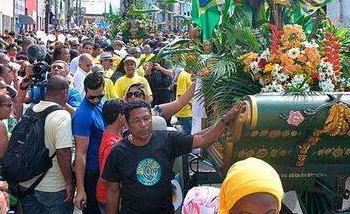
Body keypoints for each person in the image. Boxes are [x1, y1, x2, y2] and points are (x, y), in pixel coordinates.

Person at [102, 100, 243, 214]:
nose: (143, 124)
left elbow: (204, 139)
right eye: (136, 121)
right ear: (127, 124)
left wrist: (226, 120)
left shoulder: (167, 139)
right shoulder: (117, 152)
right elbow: (113, 192)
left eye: (146, 119)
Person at [18, 75, 74, 214]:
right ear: (64, 92)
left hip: (27, 183)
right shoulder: (62, 115)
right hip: (53, 187)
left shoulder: (32, 109)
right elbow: (63, 152)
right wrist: (68, 182)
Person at [73, 72, 107, 214]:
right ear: (85, 91)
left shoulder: (102, 102)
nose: (95, 100)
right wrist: (80, 189)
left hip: (104, 167)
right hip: (92, 172)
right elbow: (80, 153)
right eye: (91, 97)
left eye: (100, 96)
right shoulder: (83, 115)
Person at [97, 99, 126, 211]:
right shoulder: (112, 145)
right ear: (120, 117)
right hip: (109, 198)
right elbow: (105, 177)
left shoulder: (110, 134)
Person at [174, 68, 194, 134]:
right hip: (185, 113)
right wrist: (191, 104)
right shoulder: (183, 76)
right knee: (188, 136)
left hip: (191, 112)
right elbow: (181, 95)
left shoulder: (191, 75)